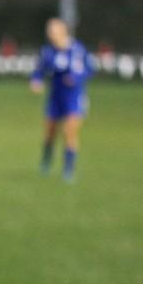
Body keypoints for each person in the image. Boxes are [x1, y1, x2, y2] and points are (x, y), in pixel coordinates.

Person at [30, 17, 94, 182]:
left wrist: (76, 77)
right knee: (50, 131)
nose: (50, 33)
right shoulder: (48, 51)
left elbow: (90, 69)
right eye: (49, 30)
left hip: (74, 96)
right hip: (55, 97)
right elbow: (39, 70)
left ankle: (68, 169)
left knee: (69, 131)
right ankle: (46, 159)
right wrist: (36, 81)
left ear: (63, 31)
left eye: (53, 30)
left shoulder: (77, 49)